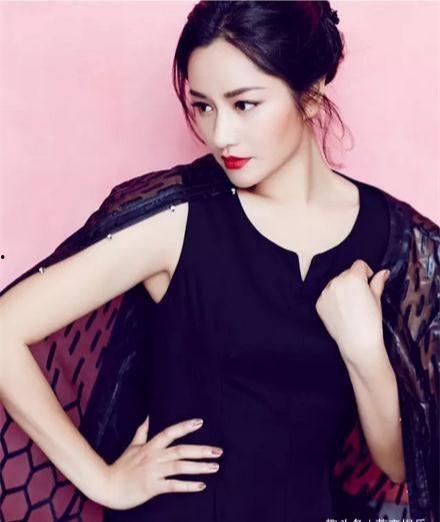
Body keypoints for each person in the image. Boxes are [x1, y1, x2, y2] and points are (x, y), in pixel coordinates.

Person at [0, 2, 438, 521]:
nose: (220, 134)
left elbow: (397, 466)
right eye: (203, 106)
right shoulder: (179, 221)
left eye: (244, 104)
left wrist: (365, 352)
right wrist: (105, 481)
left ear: (312, 93)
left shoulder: (395, 239)